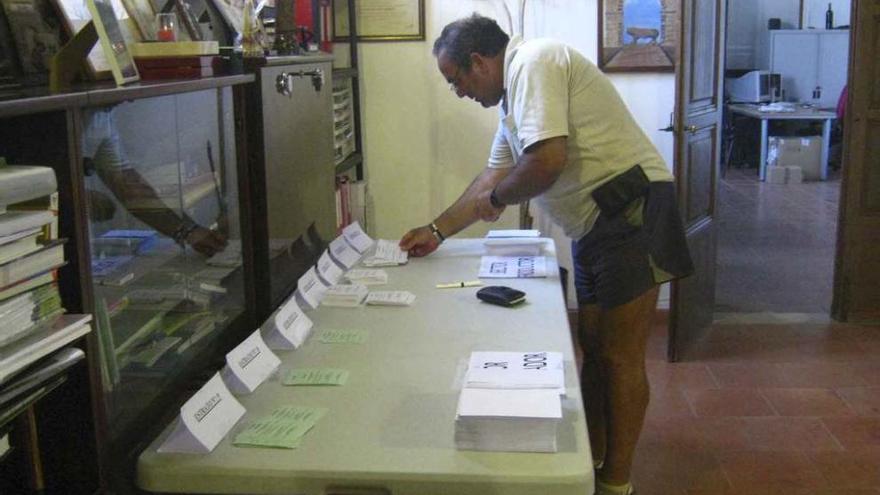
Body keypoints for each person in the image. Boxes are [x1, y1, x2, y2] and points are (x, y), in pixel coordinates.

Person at [399, 14, 693, 495]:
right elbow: (491, 177)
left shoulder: (535, 62)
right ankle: (594, 459)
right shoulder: (513, 100)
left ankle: (617, 482)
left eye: (456, 81)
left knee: (620, 357)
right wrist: (437, 230)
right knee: (593, 349)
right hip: (596, 225)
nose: (458, 93)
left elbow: (546, 162)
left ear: (479, 61)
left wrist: (495, 202)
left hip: (630, 213)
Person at [82, 107, 228, 256]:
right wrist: (80, 197)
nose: (129, 101)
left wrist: (188, 231)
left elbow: (128, 186)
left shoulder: (101, 118)